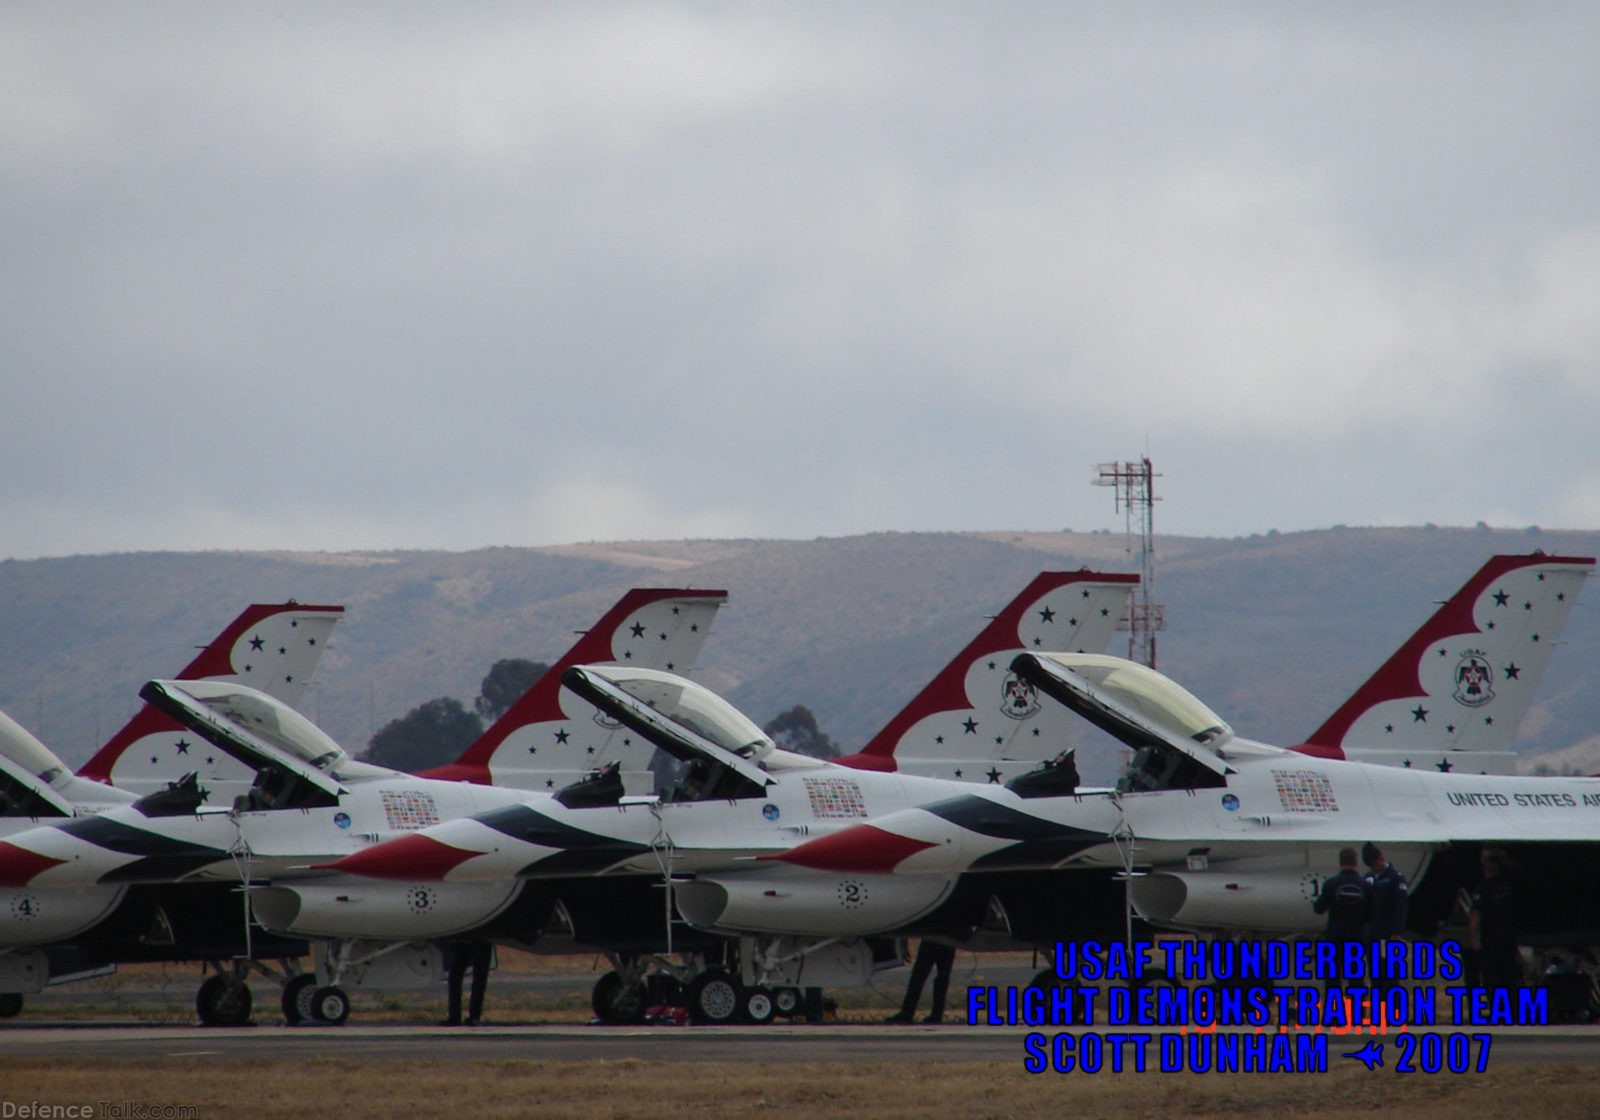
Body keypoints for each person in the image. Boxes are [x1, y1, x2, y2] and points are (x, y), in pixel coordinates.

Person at [1469, 847, 1519, 989]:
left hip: (1491, 941)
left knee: (1493, 981)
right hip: (1509, 939)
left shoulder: (1482, 888)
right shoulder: (1509, 883)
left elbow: (1475, 916)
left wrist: (1474, 941)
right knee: (1509, 979)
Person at [886, 938, 956, 1024]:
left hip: (932, 938)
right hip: (949, 939)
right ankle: (937, 1014)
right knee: (942, 977)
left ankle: (907, 1012)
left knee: (919, 976)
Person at [1313, 847, 1372, 943]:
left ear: (1340, 862)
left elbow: (1319, 909)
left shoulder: (1330, 884)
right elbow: (1371, 914)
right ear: (1356, 862)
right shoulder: (1366, 886)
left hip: (1335, 936)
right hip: (1357, 936)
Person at [441, 938, 493, 1026]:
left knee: (476, 978)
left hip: (477, 940)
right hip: (473, 940)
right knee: (458, 976)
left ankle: (468, 1016)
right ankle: (460, 1017)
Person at [1362, 842, 1409, 939]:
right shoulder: (1367, 878)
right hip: (1370, 930)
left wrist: (1397, 931)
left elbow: (1401, 906)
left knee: (1383, 953)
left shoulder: (1395, 877)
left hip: (1387, 930)